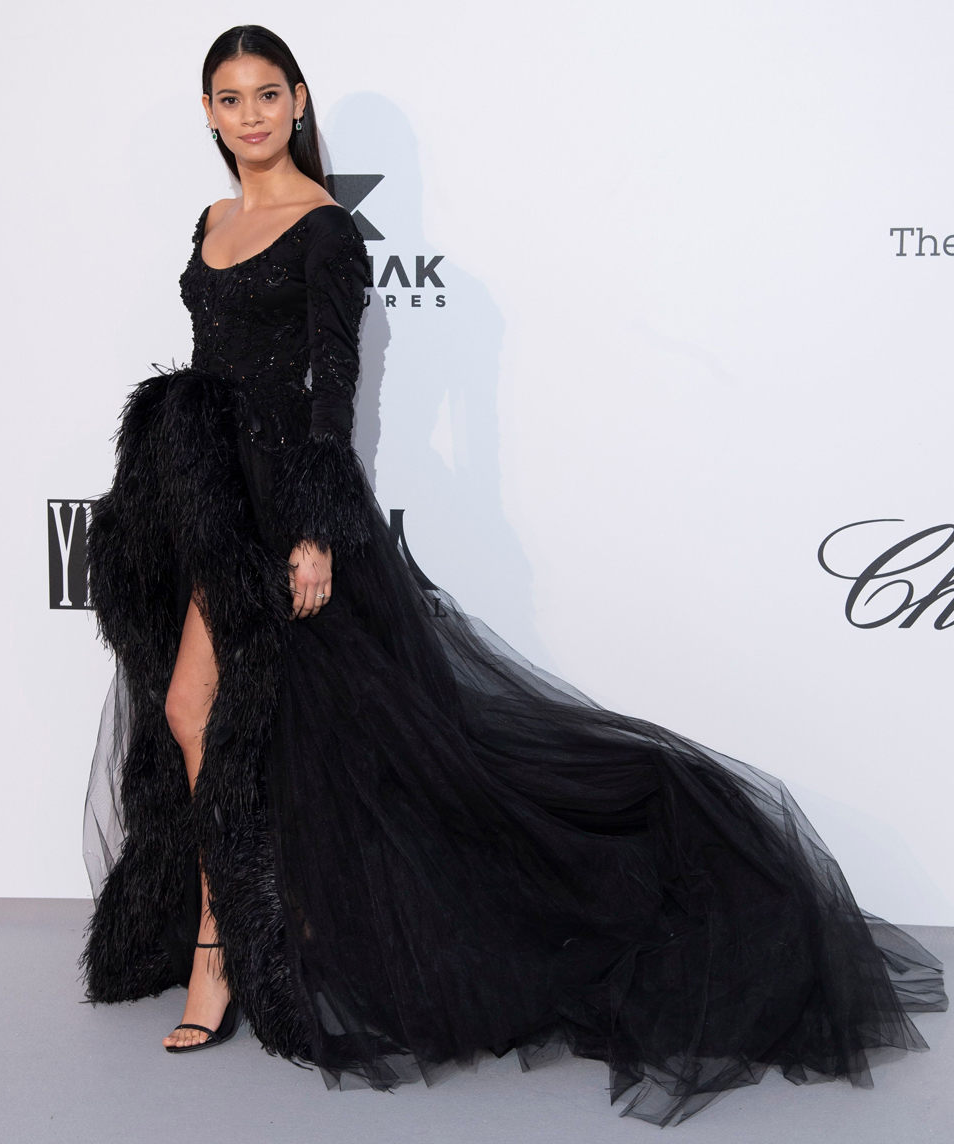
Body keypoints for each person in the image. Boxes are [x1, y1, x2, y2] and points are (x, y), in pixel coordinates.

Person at [81, 24, 946, 1127]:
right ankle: (242, 939)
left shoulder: (326, 229)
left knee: (265, 730)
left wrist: (314, 532)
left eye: (267, 94)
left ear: (297, 100)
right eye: (228, 97)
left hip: (284, 507)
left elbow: (332, 391)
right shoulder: (210, 220)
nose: (249, 115)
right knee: (215, 720)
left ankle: (225, 954)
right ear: (207, 112)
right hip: (208, 505)